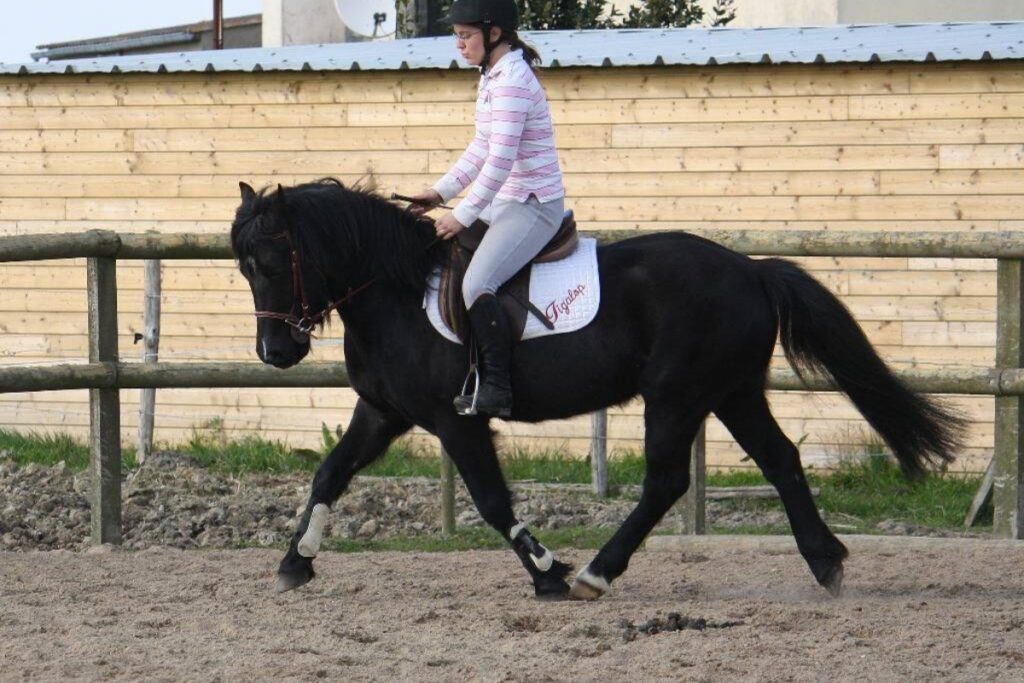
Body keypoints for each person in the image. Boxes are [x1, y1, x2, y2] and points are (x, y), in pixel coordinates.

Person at [409, 0, 565, 418]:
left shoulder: (513, 79)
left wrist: (462, 213)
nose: (459, 44)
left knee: (477, 283)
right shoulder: (492, 77)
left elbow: (499, 161)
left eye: (465, 36)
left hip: (533, 204)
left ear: (493, 34)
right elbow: (481, 147)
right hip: (505, 201)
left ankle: (497, 386)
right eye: (456, 36)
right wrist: (439, 194)